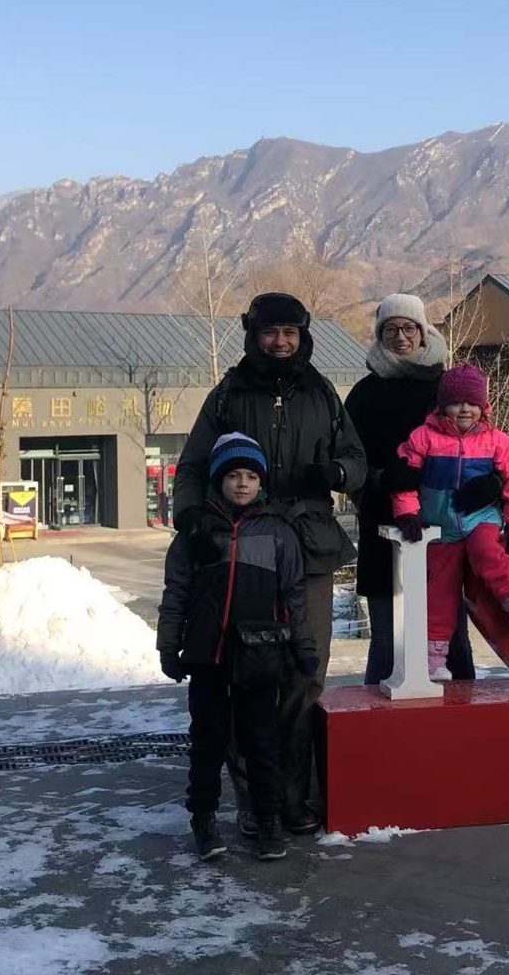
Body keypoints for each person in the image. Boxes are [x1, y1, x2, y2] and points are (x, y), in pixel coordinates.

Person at [173, 291, 366, 838]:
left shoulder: (321, 391)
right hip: (242, 547)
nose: (281, 342)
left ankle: (292, 797)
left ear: (304, 335)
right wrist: (191, 519)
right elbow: (191, 465)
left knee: (306, 675)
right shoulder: (229, 393)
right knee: (246, 676)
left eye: (291, 332)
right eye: (270, 332)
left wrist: (333, 474)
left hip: (309, 546)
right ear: (253, 334)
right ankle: (254, 800)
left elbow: (357, 461)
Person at [157, 433, 319, 862]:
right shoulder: (196, 532)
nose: (243, 484)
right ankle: (204, 819)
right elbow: (175, 593)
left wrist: (303, 648)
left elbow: (294, 596)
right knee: (207, 741)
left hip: (261, 658)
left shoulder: (278, 534)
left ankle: (267, 821)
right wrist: (168, 647)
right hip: (207, 657)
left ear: (262, 482)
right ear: (218, 479)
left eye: (251, 476)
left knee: (262, 741)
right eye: (233, 475)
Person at [344, 294, 482, 685]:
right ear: (379, 334)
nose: (401, 336)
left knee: (451, 641)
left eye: (408, 328)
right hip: (384, 528)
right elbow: (350, 458)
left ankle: (465, 726)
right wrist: (380, 483)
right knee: (387, 645)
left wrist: (484, 485)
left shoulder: (446, 388)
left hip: (445, 528)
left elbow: (480, 440)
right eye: (391, 329)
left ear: (423, 331)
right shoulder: (364, 394)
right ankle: (377, 733)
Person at [390, 364, 509, 679]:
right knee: (440, 593)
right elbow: (404, 478)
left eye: (472, 403)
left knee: (488, 553)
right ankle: (434, 659)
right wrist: (407, 512)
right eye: (457, 402)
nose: (465, 409)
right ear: (443, 404)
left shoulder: (495, 440)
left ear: (483, 406)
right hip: (441, 526)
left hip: (480, 518)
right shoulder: (424, 437)